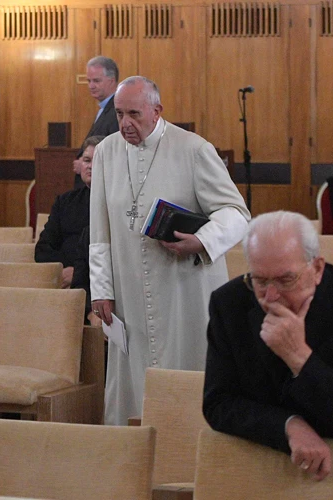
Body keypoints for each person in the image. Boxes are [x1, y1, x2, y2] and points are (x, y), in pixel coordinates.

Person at [90, 75, 250, 425]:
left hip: (184, 287)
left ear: (157, 110)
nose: (125, 124)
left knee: (186, 369)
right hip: (129, 287)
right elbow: (99, 230)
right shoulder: (106, 152)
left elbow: (237, 213)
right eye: (119, 114)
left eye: (134, 113)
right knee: (133, 378)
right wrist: (101, 290)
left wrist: (202, 240)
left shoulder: (193, 149)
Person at [203, 211, 333, 481]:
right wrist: (289, 426)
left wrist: (299, 358)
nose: (271, 296)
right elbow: (218, 404)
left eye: (285, 280)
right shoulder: (228, 304)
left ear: (316, 268)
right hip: (263, 469)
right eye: (259, 280)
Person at [36, 135, 104, 288]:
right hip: (63, 281)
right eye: (86, 160)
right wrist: (65, 270)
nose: (90, 166)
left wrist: (79, 273)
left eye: (98, 160)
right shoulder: (65, 201)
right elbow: (43, 248)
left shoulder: (120, 203)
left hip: (99, 286)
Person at [72, 57, 121, 188]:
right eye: (89, 81)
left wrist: (85, 161)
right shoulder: (105, 109)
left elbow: (116, 151)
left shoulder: (118, 111)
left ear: (111, 81)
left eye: (96, 81)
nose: (91, 86)